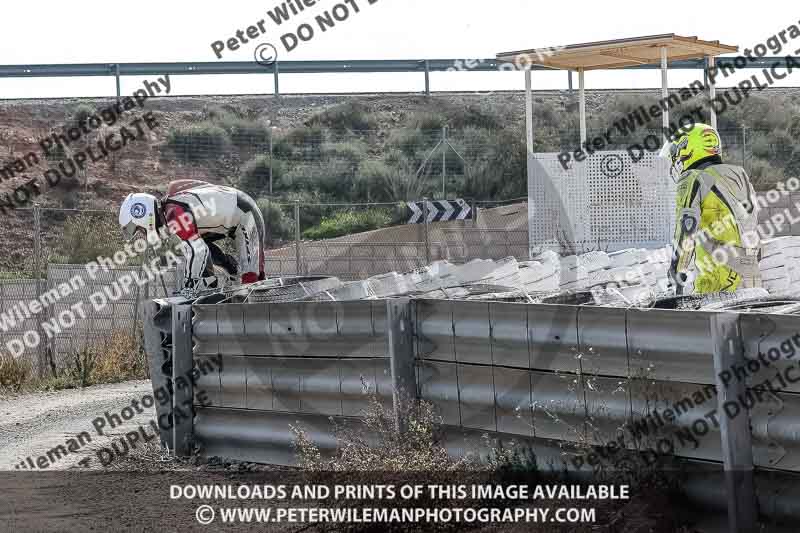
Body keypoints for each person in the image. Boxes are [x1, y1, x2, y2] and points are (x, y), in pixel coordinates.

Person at [660, 123, 761, 295]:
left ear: (688, 148)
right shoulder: (740, 175)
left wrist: (675, 275)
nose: (676, 159)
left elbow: (686, 230)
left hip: (717, 277)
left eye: (677, 153)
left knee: (706, 321)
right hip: (751, 275)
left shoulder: (692, 178)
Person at [118, 179, 266, 292]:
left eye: (139, 229)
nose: (142, 234)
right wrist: (202, 282)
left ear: (144, 216)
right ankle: (229, 269)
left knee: (252, 282)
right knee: (197, 247)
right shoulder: (173, 208)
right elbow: (201, 248)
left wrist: (189, 285)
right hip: (238, 215)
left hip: (246, 216)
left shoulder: (174, 214)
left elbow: (198, 251)